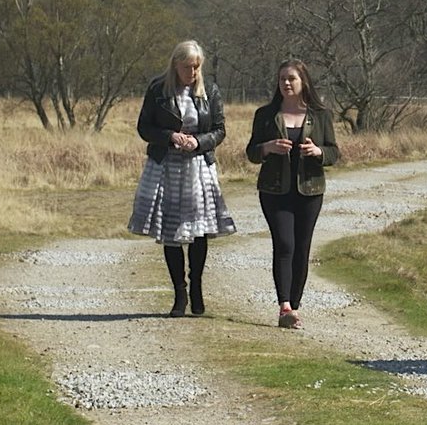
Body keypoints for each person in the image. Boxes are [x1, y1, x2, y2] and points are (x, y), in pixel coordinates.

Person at [128, 40, 236, 317]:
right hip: (167, 166)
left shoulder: (209, 90)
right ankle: (180, 293)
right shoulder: (158, 89)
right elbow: (144, 127)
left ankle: (197, 289)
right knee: (171, 232)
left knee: (198, 230)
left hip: (198, 166)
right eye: (187, 66)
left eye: (197, 67)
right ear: (175, 64)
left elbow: (220, 129)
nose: (192, 72)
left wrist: (198, 142)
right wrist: (169, 136)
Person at [246, 59, 340, 328]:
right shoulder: (265, 114)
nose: (286, 83)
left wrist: (318, 152)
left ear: (304, 82)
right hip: (274, 191)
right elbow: (251, 152)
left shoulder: (320, 114)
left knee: (302, 248)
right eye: (282, 79)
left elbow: (334, 151)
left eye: (292, 79)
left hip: (310, 190)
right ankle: (284, 307)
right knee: (284, 244)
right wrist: (268, 147)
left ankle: (295, 307)